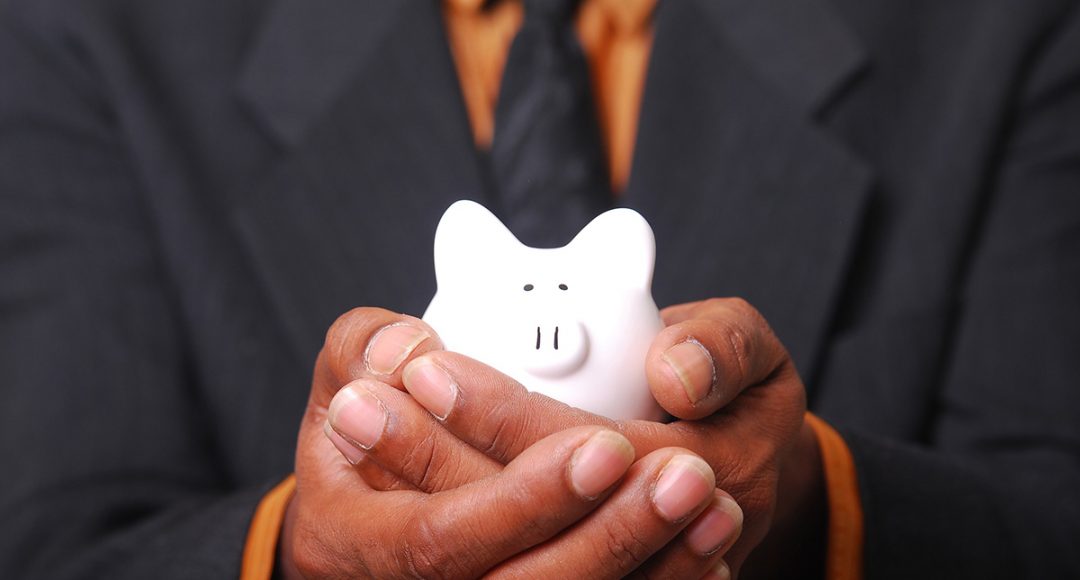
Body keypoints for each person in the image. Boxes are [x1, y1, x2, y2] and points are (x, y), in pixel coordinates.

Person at [1, 0, 1078, 578]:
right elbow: (58, 547)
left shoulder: (1002, 30)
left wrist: (810, 497)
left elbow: (1049, 523)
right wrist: (297, 556)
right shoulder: (89, 34)